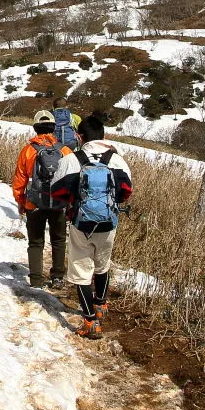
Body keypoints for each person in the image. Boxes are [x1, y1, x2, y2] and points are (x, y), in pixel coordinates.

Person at [51, 115, 133, 339]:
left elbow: (57, 190)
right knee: (102, 265)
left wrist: (75, 200)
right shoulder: (116, 160)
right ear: (103, 135)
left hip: (81, 222)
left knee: (81, 272)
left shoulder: (72, 159)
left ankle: (90, 321)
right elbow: (126, 190)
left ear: (80, 136)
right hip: (108, 223)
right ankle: (101, 304)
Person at [11, 110, 75, 289]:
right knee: (58, 240)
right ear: (54, 128)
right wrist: (69, 202)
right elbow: (72, 178)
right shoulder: (65, 150)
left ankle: (36, 279)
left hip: (34, 202)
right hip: (58, 203)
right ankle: (57, 278)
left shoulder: (28, 151)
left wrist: (20, 201)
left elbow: (19, 180)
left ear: (35, 127)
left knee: (36, 242)